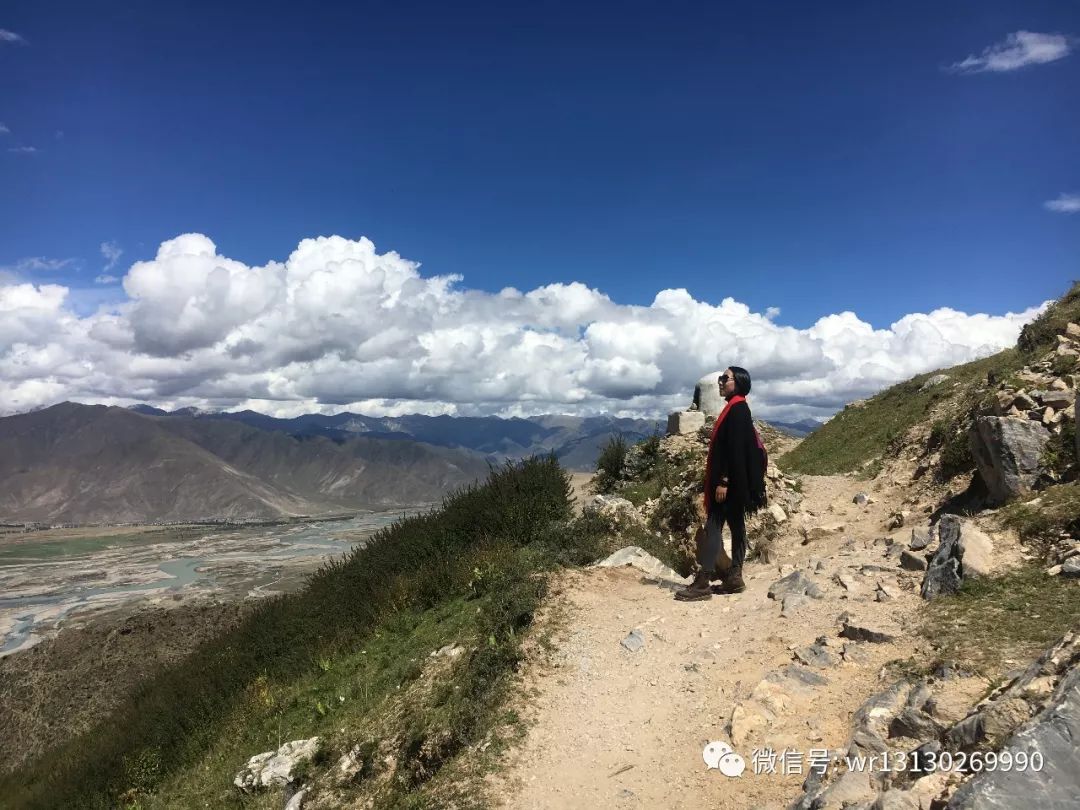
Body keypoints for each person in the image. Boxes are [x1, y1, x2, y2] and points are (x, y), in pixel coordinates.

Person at [675, 366, 767, 601]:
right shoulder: (737, 408)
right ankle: (735, 578)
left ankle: (703, 582)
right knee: (737, 526)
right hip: (738, 482)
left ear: (739, 382)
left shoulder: (737, 410)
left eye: (725, 378)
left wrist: (724, 480)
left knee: (714, 527)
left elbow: (734, 449)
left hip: (729, 484)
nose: (720, 382)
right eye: (720, 378)